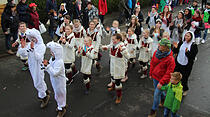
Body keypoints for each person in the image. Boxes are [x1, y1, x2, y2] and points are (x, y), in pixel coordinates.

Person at [19, 28, 50, 108]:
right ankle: (45, 91)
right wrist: (22, 47)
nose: (32, 39)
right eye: (31, 38)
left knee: (38, 82)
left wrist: (32, 49)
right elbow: (24, 54)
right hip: (32, 65)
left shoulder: (41, 46)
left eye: (34, 37)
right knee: (38, 80)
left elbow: (38, 57)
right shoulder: (30, 44)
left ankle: (44, 97)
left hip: (38, 66)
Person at [148, 38, 175, 117]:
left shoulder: (170, 59)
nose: (158, 45)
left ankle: (153, 110)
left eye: (161, 45)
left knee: (156, 94)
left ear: (166, 47)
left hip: (162, 80)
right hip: (155, 77)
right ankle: (163, 100)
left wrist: (161, 82)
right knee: (160, 92)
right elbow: (152, 63)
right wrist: (150, 73)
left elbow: (168, 73)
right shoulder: (156, 52)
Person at [102, 33, 130, 104]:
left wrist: (123, 51)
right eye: (112, 39)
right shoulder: (113, 44)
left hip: (119, 66)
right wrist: (105, 47)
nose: (112, 41)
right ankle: (113, 86)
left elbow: (128, 56)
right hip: (113, 64)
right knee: (112, 76)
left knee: (118, 81)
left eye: (114, 39)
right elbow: (109, 46)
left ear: (119, 40)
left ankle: (119, 96)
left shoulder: (122, 46)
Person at [43, 42, 67, 117]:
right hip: (55, 81)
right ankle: (62, 104)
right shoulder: (53, 59)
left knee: (60, 94)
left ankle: (61, 108)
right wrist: (46, 65)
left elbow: (55, 73)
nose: (51, 53)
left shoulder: (59, 62)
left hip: (59, 82)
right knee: (58, 94)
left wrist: (47, 66)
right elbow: (50, 66)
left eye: (52, 51)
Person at [173, 31, 198, 96]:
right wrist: (175, 47)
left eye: (188, 36)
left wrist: (187, 52)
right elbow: (176, 51)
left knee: (184, 78)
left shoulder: (193, 46)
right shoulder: (182, 43)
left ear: (191, 37)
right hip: (179, 62)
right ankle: (176, 88)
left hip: (186, 65)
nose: (186, 37)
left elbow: (192, 57)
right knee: (176, 76)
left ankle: (185, 89)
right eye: (185, 35)